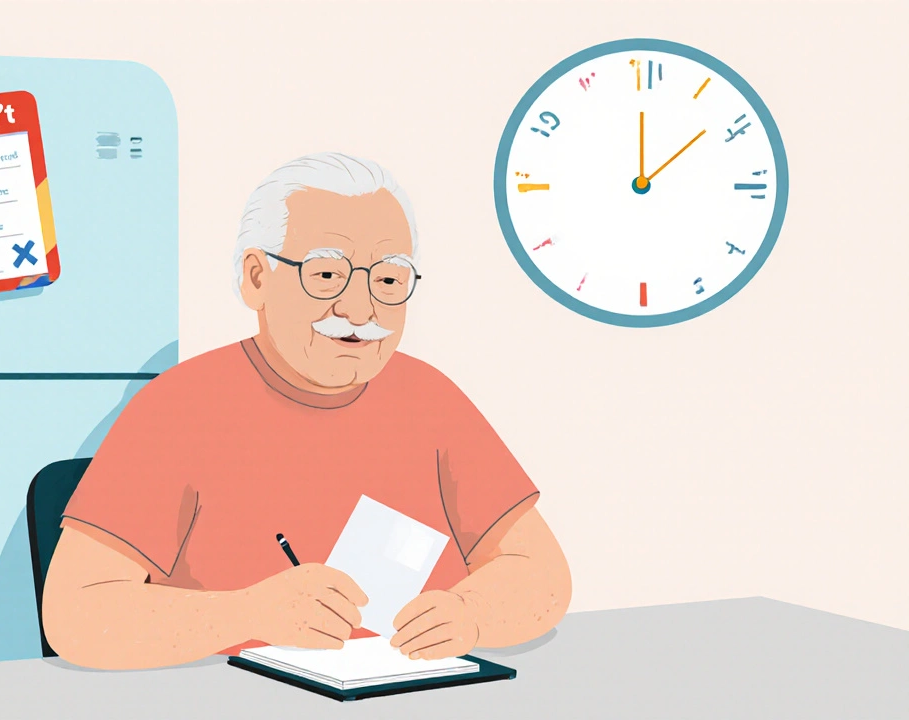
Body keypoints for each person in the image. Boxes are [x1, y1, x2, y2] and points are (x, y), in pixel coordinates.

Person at [43, 152, 572, 670]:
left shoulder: (429, 399)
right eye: (326, 276)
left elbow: (543, 575)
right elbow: (76, 615)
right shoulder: (180, 410)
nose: (361, 309)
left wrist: (470, 614)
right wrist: (246, 614)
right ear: (256, 278)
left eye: (388, 281)